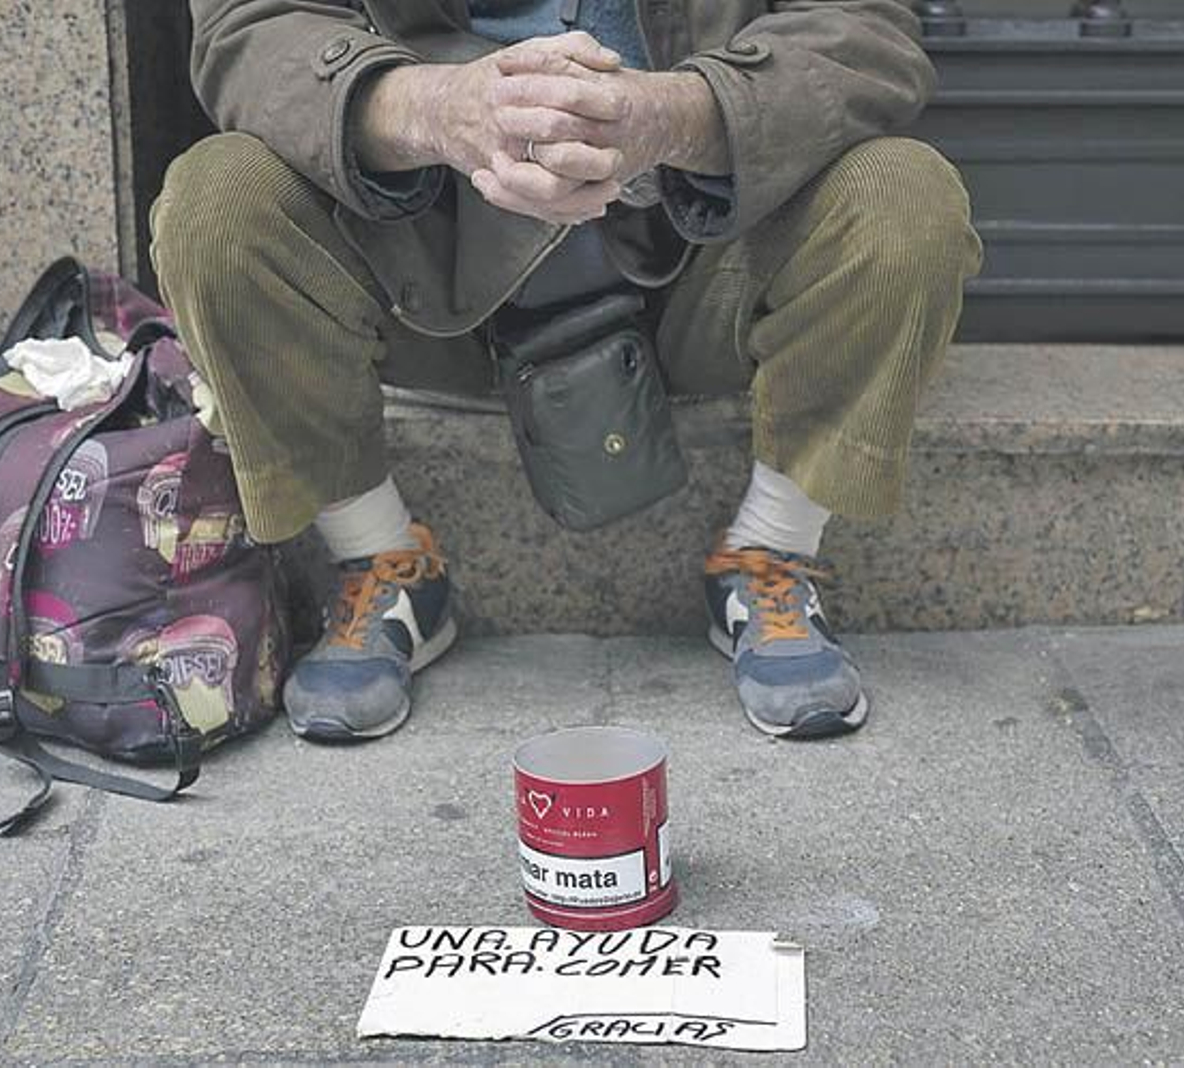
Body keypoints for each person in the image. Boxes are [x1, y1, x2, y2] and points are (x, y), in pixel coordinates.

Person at [150, 1, 983, 744]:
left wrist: (683, 114)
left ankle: (771, 552)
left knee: (902, 198)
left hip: (706, 254)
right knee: (218, 204)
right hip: (422, 272)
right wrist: (431, 109)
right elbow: (247, 30)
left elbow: (868, 29)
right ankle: (384, 562)